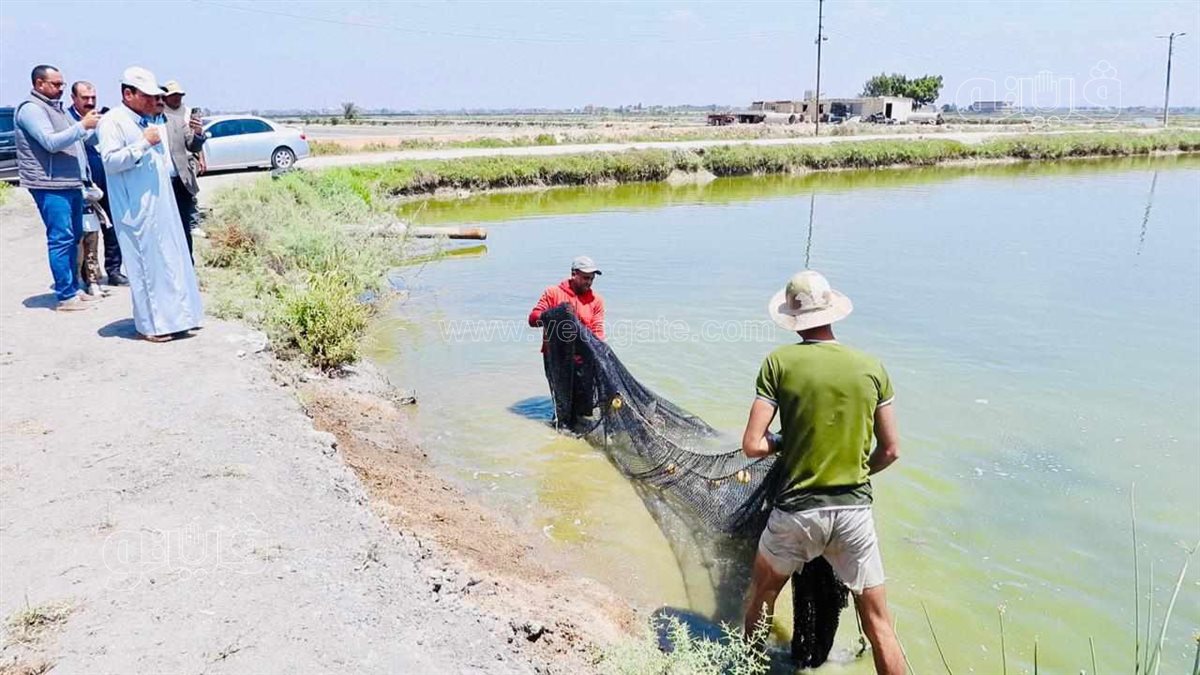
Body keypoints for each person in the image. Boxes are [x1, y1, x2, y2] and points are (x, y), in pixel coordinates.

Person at [740, 270, 904, 675]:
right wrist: (852, 469)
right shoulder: (872, 367)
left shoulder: (779, 362)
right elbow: (891, 450)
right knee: (880, 624)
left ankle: (748, 667)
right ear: (832, 312)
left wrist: (783, 442)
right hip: (854, 515)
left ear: (792, 316)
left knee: (761, 595)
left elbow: (753, 444)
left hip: (796, 512)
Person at [97, 66, 203, 342]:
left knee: (170, 262)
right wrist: (142, 144)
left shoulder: (150, 121)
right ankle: (153, 326)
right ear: (128, 94)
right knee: (146, 267)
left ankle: (178, 318)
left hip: (161, 205)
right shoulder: (113, 122)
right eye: (147, 96)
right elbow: (109, 161)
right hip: (137, 210)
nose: (153, 102)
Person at [15, 64, 101, 311]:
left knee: (74, 236)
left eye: (62, 84)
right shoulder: (31, 110)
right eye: (56, 84)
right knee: (61, 238)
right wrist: (82, 125)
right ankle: (65, 296)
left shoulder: (57, 109)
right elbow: (51, 143)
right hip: (49, 183)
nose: (61, 88)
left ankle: (73, 288)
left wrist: (95, 128)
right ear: (39, 84)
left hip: (70, 182)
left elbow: (79, 141)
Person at [528, 256, 606, 424]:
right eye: (585, 277)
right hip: (556, 359)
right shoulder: (553, 293)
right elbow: (533, 319)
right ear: (573, 274)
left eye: (592, 278)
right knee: (562, 407)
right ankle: (561, 427)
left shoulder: (596, 301)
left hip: (582, 361)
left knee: (584, 409)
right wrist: (554, 315)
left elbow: (597, 333)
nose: (589, 282)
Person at [67, 80, 126, 286]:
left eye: (93, 98)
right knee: (85, 233)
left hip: (107, 182)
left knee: (112, 227)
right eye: (85, 98)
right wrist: (86, 127)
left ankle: (114, 270)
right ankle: (87, 277)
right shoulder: (67, 120)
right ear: (73, 98)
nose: (90, 102)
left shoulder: (103, 118)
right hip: (82, 186)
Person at [161, 80, 206, 259]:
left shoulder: (179, 120)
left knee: (183, 225)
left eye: (179, 96)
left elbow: (193, 145)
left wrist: (198, 134)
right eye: (173, 96)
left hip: (180, 181)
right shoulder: (147, 123)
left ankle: (187, 263)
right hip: (160, 183)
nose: (177, 99)